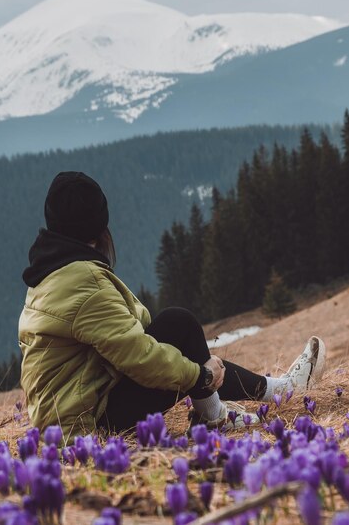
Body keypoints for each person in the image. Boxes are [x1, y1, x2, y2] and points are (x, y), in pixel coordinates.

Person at [18, 171, 326, 443]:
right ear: (98, 225)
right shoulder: (83, 282)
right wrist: (201, 377)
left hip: (66, 418)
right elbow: (139, 356)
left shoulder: (49, 275)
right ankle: (221, 412)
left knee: (183, 345)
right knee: (178, 326)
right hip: (87, 426)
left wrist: (199, 368)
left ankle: (275, 390)